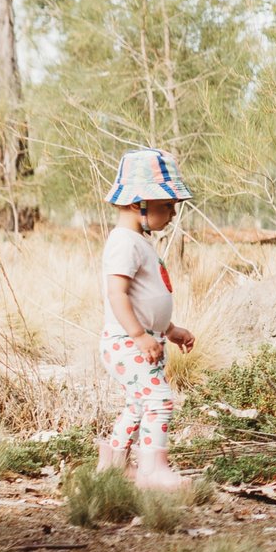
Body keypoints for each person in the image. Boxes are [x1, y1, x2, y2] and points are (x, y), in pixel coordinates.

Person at [96, 148, 196, 492]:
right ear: (138, 203)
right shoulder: (124, 243)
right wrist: (139, 336)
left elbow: (146, 298)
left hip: (143, 339)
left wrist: (169, 330)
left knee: (138, 403)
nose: (172, 212)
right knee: (159, 400)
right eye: (166, 205)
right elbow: (118, 294)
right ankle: (152, 471)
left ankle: (114, 465)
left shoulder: (138, 241)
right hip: (126, 343)